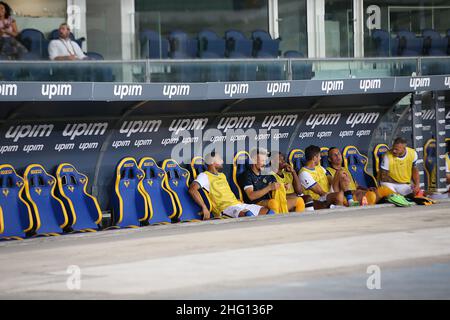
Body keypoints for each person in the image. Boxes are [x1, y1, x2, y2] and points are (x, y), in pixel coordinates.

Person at [189, 152, 272, 219]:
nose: (222, 161)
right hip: (225, 208)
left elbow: (225, 192)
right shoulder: (204, 176)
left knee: (269, 213)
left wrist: (236, 199)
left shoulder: (222, 175)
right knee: (248, 215)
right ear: (212, 162)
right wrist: (204, 207)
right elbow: (192, 190)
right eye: (219, 159)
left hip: (237, 204)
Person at [299, 145, 344, 209]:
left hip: (326, 195)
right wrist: (333, 195)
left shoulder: (320, 168)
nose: (320, 158)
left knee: (340, 172)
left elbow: (330, 179)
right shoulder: (304, 173)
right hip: (318, 199)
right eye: (319, 156)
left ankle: (349, 198)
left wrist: (338, 184)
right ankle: (340, 210)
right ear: (314, 158)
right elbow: (320, 192)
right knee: (339, 196)